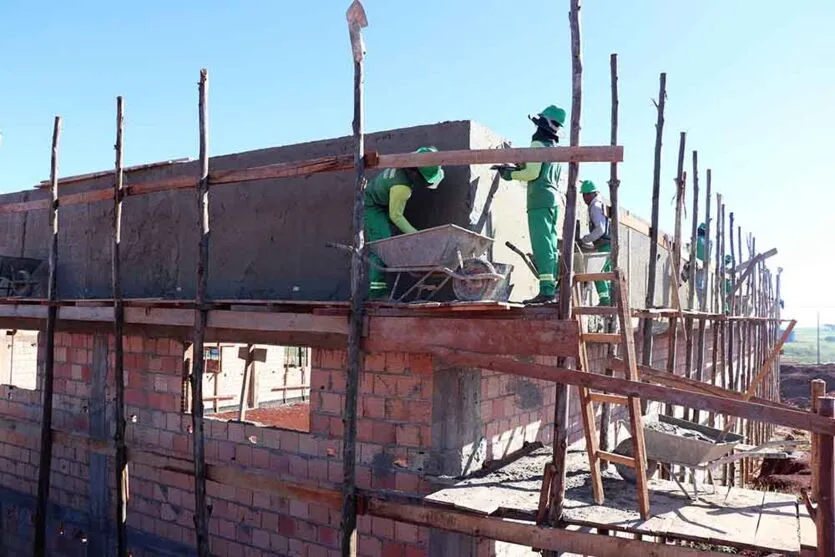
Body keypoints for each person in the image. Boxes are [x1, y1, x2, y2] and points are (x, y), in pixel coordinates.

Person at [498, 105, 565, 304]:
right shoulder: (555, 151)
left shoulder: (538, 146)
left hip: (539, 201)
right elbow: (539, 170)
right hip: (552, 200)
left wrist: (509, 174)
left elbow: (532, 174)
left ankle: (546, 291)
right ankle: (551, 287)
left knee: (542, 246)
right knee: (550, 246)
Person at [363, 146, 445, 300]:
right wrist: (417, 236)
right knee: (382, 245)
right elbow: (396, 216)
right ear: (418, 175)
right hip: (372, 205)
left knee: (392, 241)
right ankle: (377, 294)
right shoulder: (402, 187)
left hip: (384, 201)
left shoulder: (404, 164)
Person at [579, 180, 611, 306]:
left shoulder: (595, 207)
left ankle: (605, 300)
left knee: (597, 271)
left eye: (586, 195)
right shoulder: (600, 204)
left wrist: (586, 239)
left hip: (605, 244)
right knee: (606, 273)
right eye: (583, 195)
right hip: (609, 244)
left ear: (592, 194)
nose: (584, 198)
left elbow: (600, 229)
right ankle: (609, 300)